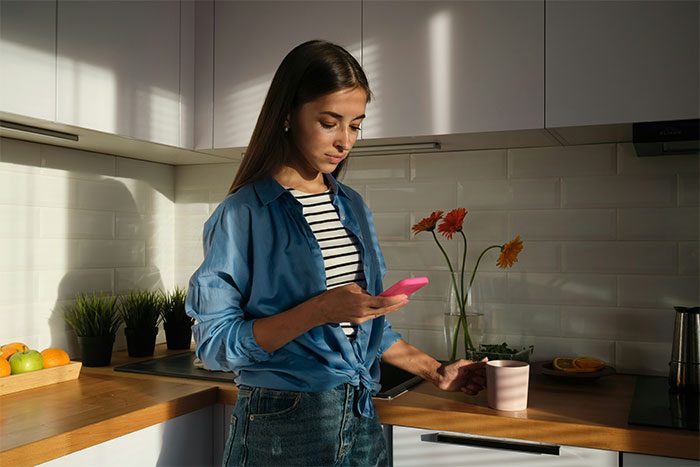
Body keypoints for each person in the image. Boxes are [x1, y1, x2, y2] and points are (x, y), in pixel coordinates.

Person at [185, 40, 486, 467]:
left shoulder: (352, 206)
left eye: (356, 125)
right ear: (287, 116)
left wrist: (434, 371)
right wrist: (320, 310)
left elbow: (363, 330)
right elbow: (214, 346)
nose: (345, 141)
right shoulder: (244, 213)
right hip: (281, 424)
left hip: (359, 415)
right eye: (330, 122)